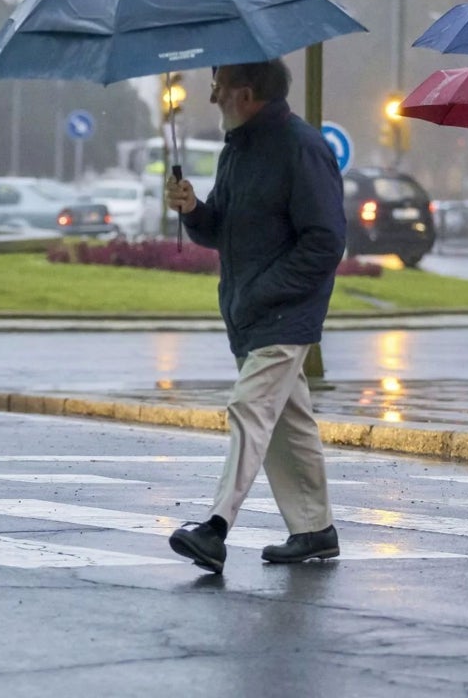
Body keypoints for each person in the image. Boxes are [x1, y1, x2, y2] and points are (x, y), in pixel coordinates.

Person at [164, 58, 346, 573]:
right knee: (289, 424)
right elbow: (222, 228)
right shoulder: (238, 150)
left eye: (218, 88)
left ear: (245, 94)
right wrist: (194, 210)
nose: (211, 97)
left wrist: (266, 291)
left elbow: (325, 241)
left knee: (249, 408)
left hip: (284, 315)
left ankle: (216, 527)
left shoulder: (302, 148)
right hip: (251, 312)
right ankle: (314, 530)